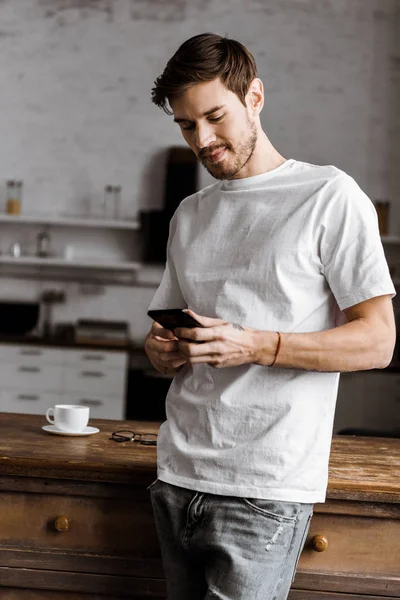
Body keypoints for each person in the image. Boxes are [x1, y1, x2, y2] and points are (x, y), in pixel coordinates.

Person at [144, 32, 396, 600]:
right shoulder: (189, 214)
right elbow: (165, 338)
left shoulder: (329, 195)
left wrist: (256, 346)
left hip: (264, 488)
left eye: (215, 116)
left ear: (254, 96)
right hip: (176, 477)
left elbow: (379, 342)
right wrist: (160, 349)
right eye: (187, 126)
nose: (202, 140)